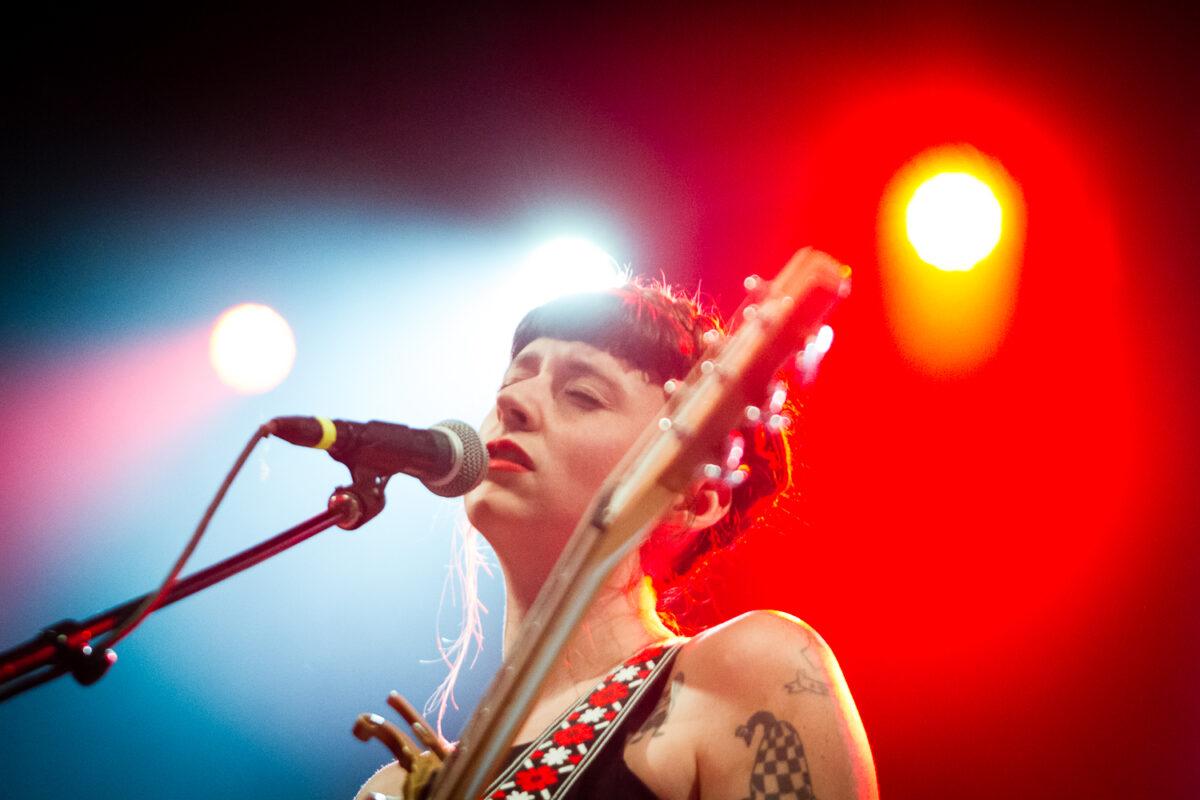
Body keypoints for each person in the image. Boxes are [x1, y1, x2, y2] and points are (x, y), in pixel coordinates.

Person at [358, 267, 877, 800]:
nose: (511, 405)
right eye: (512, 383)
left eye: (583, 395)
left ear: (695, 500)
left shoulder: (739, 672)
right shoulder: (396, 788)